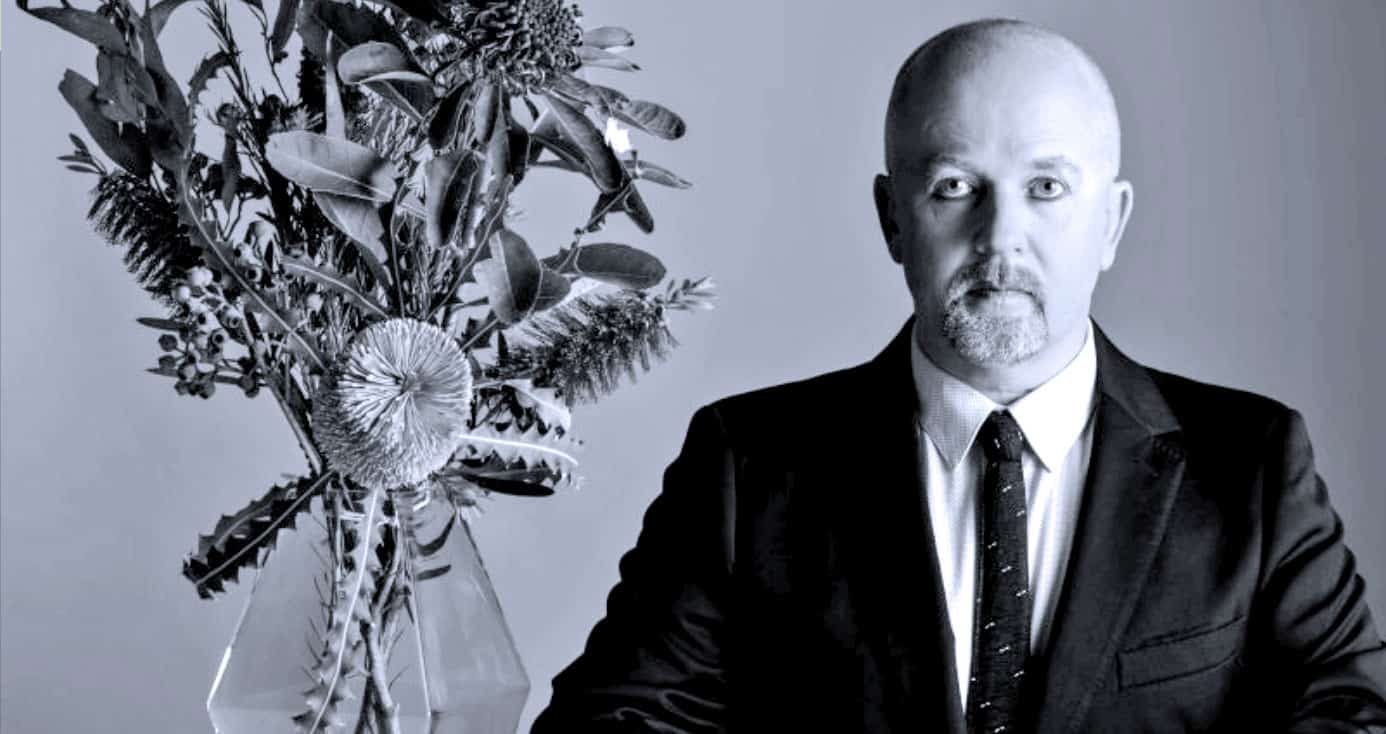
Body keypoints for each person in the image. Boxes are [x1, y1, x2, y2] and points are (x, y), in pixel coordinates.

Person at [532, 18, 1386, 733]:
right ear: (892, 219)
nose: (999, 237)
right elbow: (616, 721)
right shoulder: (746, 466)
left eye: (1046, 186)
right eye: (953, 187)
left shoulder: (1252, 463)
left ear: (1112, 221)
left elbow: (1355, 712)